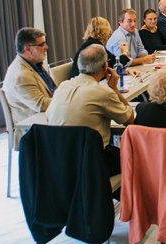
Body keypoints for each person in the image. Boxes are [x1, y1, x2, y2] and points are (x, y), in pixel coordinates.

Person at [47, 44, 134, 175]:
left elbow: (48, 118)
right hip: (91, 162)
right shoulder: (102, 92)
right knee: (135, 155)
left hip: (59, 160)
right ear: (105, 67)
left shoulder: (62, 87)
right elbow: (130, 120)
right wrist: (114, 89)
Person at [3, 28, 56, 125]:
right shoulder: (21, 75)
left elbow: (52, 91)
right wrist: (67, 100)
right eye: (41, 45)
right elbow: (41, 105)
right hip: (37, 126)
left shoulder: (33, 64)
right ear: (27, 49)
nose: (46, 47)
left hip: (50, 115)